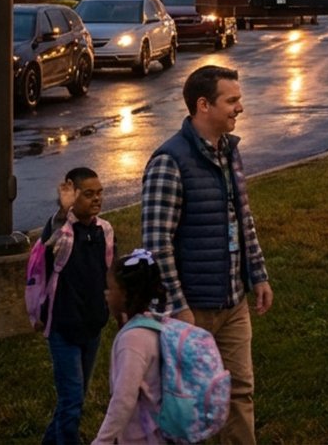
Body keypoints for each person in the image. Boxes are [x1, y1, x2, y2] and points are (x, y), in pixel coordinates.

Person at [141, 65, 273, 445]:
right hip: (192, 310)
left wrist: (258, 276)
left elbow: (243, 219)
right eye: (231, 101)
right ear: (203, 105)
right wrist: (179, 307)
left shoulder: (229, 153)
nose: (240, 108)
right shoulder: (170, 162)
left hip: (233, 302)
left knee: (239, 393)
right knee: (190, 402)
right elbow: (156, 243)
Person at [39, 167, 114, 445]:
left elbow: (110, 276)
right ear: (73, 194)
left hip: (92, 327)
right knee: (71, 401)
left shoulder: (104, 230)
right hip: (63, 329)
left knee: (76, 398)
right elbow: (50, 245)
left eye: (99, 193)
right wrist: (62, 210)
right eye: (88, 194)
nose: (96, 199)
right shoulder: (61, 230)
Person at [93, 249, 167, 444]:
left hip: (140, 436)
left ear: (125, 294)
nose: (106, 294)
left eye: (110, 288)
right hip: (161, 432)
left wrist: (102, 441)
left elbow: (123, 399)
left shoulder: (132, 340)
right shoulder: (159, 324)